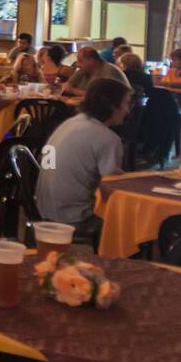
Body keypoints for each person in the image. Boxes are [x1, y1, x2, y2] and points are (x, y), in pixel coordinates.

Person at [35, 79, 132, 240]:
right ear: (112, 106)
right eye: (126, 104)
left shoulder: (70, 123)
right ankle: (123, 262)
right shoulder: (108, 138)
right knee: (131, 221)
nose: (128, 110)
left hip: (44, 209)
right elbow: (111, 187)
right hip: (74, 217)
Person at [62, 47, 130, 100]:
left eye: (80, 61)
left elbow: (101, 97)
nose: (77, 64)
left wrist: (74, 91)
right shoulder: (84, 70)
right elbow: (67, 85)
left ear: (91, 61)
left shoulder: (108, 71)